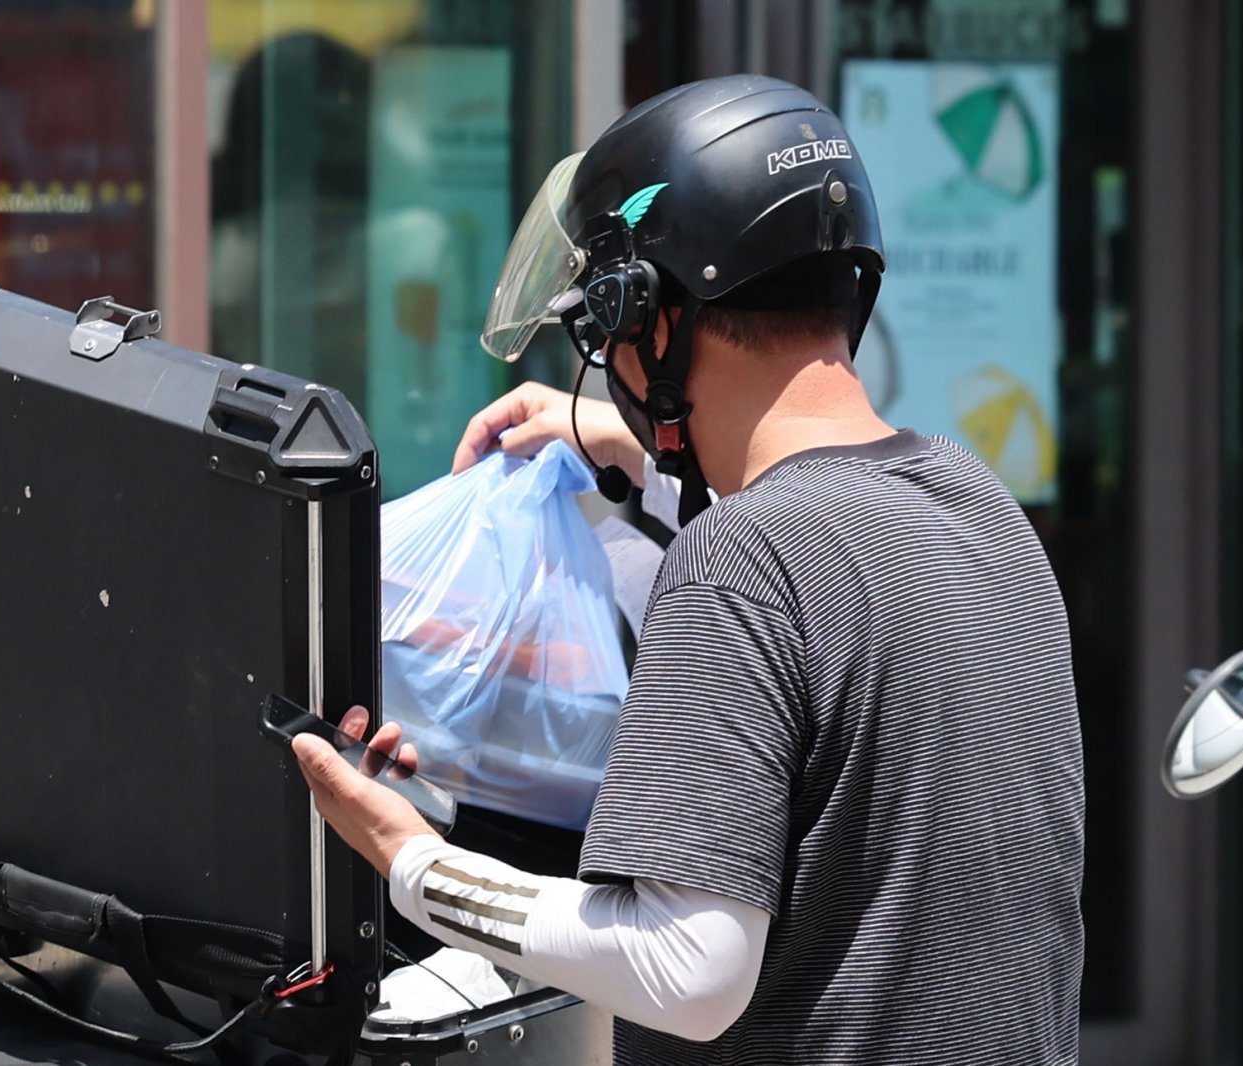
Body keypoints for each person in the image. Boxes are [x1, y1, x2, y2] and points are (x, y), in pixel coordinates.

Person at [293, 75, 1084, 1065]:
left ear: (650, 321)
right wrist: (635, 447)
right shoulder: (979, 507)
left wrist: (411, 860)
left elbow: (686, 964)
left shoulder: (739, 563)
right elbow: (835, 591)